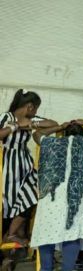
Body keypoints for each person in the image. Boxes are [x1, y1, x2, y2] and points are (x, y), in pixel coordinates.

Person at [22, 119, 83, 271]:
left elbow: (37, 134)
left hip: (53, 193)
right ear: (82, 132)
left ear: (64, 133)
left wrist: (59, 127)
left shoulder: (52, 142)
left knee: (46, 229)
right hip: (79, 194)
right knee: (73, 231)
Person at [1, 89, 58, 256]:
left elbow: (53, 123)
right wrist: (17, 126)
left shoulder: (31, 119)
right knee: (6, 203)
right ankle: (7, 249)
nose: (36, 113)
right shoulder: (6, 118)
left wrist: (32, 124)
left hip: (25, 164)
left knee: (30, 197)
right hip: (6, 164)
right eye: (36, 109)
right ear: (30, 106)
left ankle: (11, 239)